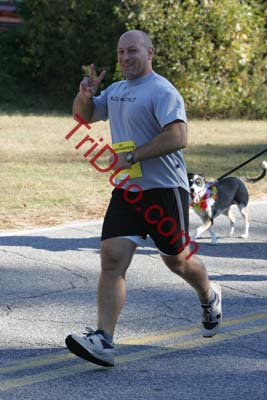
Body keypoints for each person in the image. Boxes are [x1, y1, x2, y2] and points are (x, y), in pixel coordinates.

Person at [65, 30, 222, 367]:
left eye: (132, 51)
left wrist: (134, 156)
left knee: (177, 261)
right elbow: (83, 117)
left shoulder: (162, 90)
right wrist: (86, 95)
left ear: (150, 52)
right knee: (111, 258)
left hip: (165, 190)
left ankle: (209, 294)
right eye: (120, 52)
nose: (124, 58)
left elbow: (178, 135)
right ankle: (104, 340)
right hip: (129, 189)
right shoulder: (117, 90)